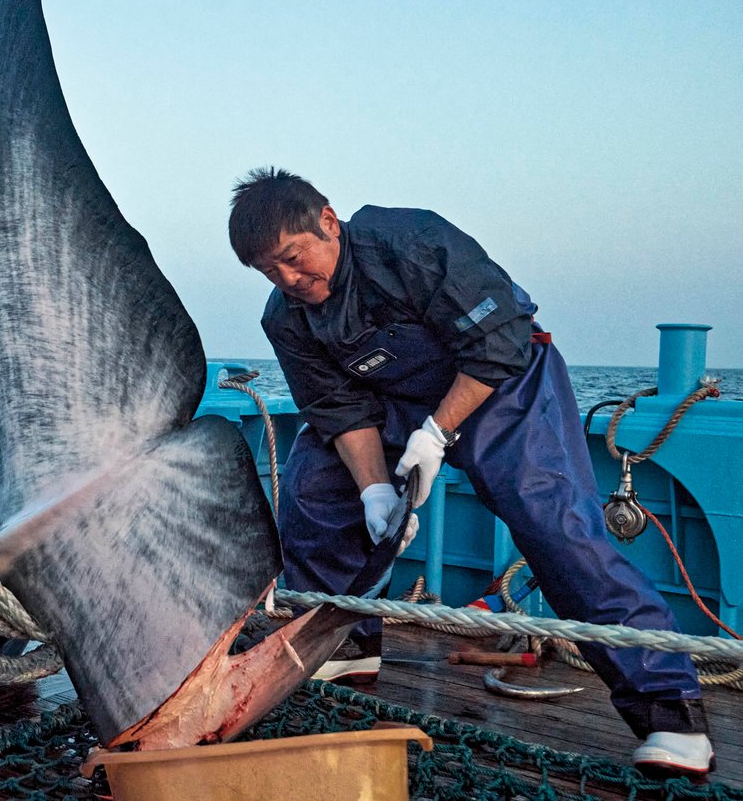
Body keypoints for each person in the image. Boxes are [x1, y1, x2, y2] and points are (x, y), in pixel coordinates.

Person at [227, 167, 713, 776]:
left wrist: (436, 435)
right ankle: (347, 641)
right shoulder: (286, 317)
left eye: (293, 259)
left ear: (328, 221)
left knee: (552, 521)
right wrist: (374, 488)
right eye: (268, 272)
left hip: (503, 384)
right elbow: (339, 410)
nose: (288, 280)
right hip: (394, 400)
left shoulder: (410, 242)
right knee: (315, 492)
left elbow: (498, 341)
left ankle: (669, 710)